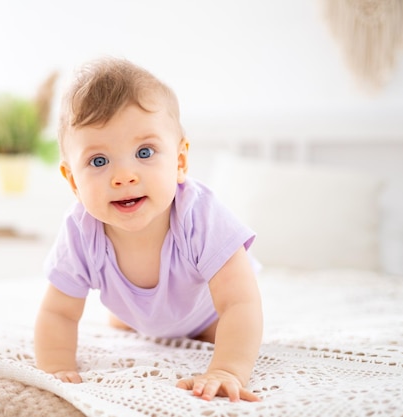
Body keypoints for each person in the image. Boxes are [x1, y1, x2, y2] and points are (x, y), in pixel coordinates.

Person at [34, 57, 263, 403]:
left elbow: (239, 302)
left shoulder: (198, 215)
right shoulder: (81, 231)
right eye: (99, 161)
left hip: (208, 314)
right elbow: (58, 312)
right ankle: (133, 315)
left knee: (230, 329)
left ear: (180, 162)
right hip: (135, 317)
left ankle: (169, 324)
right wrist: (56, 368)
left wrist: (228, 369)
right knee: (124, 319)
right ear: (73, 182)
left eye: (144, 152)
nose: (124, 175)